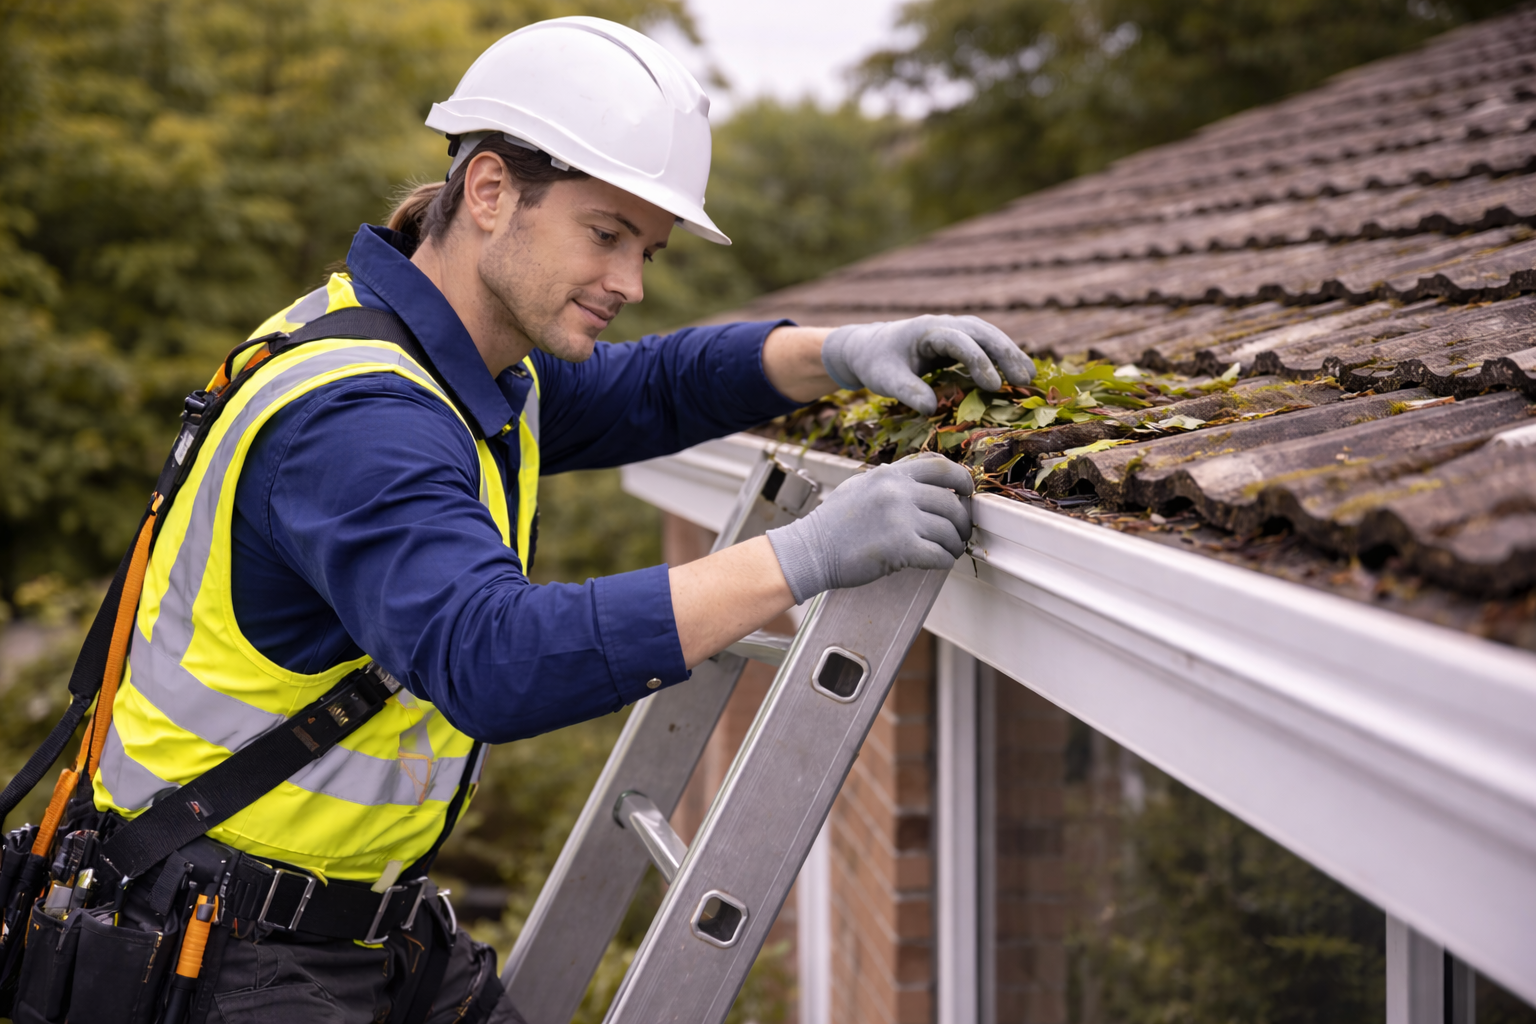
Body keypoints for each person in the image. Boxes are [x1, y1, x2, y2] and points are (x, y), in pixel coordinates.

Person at [82, 16, 1035, 1023]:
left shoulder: (469, 364)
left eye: (647, 251)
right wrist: (805, 555)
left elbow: (653, 385)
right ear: (489, 190)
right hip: (215, 959)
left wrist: (838, 350)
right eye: (606, 233)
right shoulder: (359, 418)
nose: (628, 282)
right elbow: (494, 659)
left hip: (340, 930)